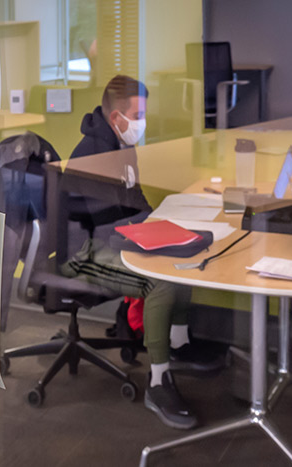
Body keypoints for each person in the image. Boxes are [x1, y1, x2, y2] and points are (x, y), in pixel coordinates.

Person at [60, 75, 222, 431]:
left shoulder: (121, 146)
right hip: (85, 252)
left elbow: (134, 203)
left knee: (182, 259)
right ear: (117, 117)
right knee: (160, 282)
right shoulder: (95, 154)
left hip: (110, 239)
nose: (143, 122)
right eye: (139, 113)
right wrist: (152, 237)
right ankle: (158, 381)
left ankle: (177, 344)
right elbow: (104, 226)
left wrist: (162, 226)